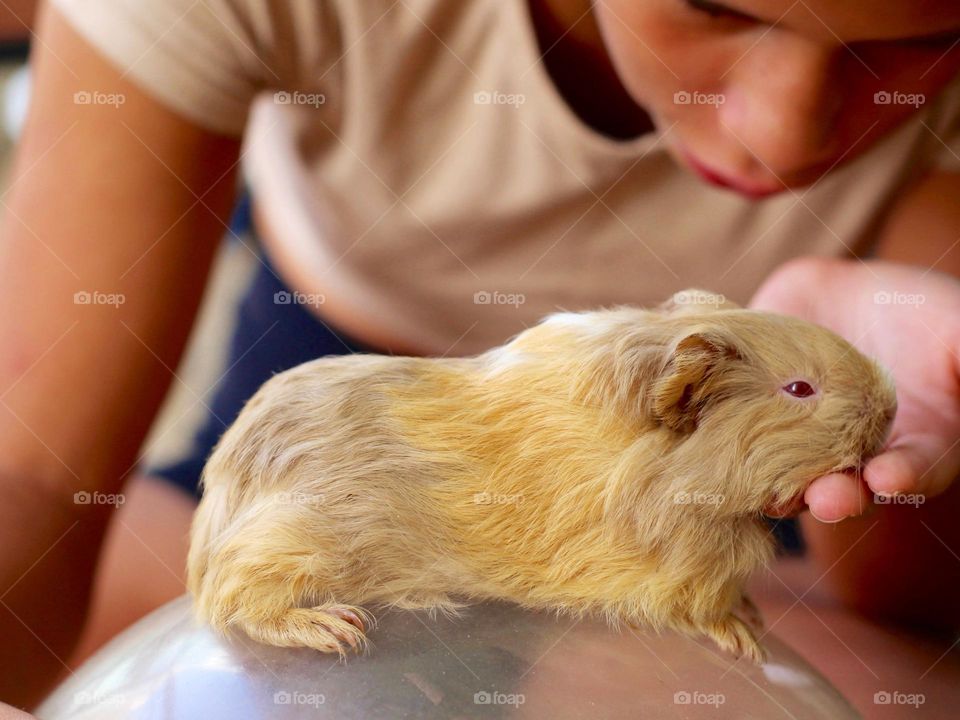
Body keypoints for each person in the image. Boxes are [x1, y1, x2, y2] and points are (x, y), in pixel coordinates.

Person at [0, 0, 958, 713]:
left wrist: (926, 430)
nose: (779, 130)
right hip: (348, 414)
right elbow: (34, 467)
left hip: (747, 509)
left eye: (910, 40)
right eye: (714, 6)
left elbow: (911, 603)